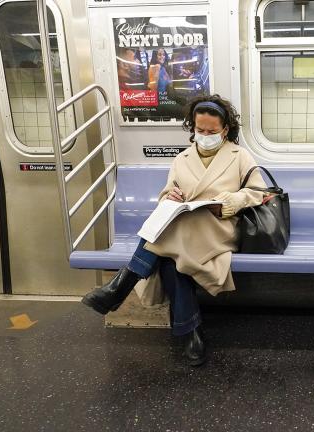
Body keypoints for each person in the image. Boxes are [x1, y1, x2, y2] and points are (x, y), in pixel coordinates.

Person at [81, 95, 266, 367]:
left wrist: (228, 202)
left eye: (212, 132)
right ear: (193, 127)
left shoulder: (240, 156)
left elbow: (257, 193)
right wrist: (172, 197)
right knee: (170, 261)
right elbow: (168, 192)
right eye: (200, 130)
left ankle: (122, 285)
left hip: (219, 227)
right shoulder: (183, 158)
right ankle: (191, 333)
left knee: (168, 236)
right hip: (184, 228)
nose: (205, 136)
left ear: (225, 130)